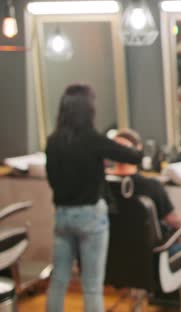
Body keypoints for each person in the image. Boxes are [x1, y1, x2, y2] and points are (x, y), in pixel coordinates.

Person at [45, 84, 142, 312]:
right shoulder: (92, 139)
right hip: (90, 216)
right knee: (91, 285)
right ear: (88, 110)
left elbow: (52, 179)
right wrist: (128, 146)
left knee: (59, 280)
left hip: (62, 216)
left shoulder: (54, 141)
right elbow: (134, 156)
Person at [107, 128, 181, 255]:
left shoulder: (104, 184)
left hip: (114, 254)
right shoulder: (151, 186)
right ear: (138, 149)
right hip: (149, 255)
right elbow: (174, 222)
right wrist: (179, 217)